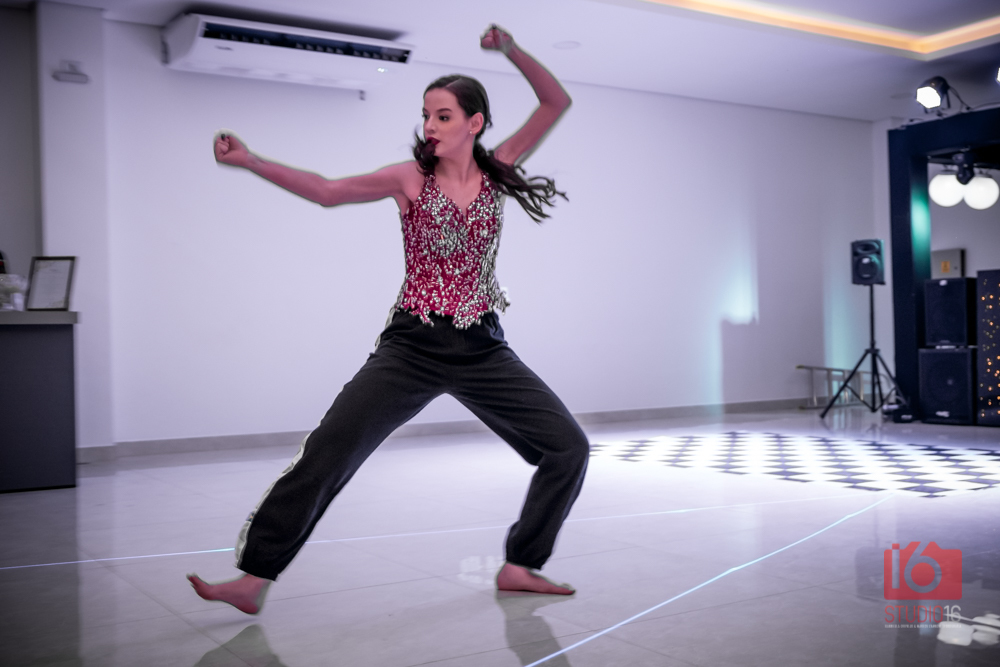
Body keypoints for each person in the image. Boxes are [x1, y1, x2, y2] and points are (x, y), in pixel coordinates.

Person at [188, 24, 589, 615]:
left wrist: (510, 50)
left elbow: (555, 101)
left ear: (475, 122)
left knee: (568, 448)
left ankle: (520, 564)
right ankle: (254, 579)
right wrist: (251, 161)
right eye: (426, 115)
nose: (431, 126)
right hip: (412, 346)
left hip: (482, 346)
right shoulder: (409, 178)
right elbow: (327, 191)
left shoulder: (499, 168)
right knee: (329, 449)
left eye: (444, 116)